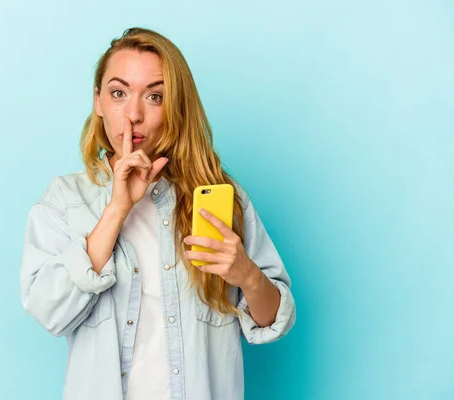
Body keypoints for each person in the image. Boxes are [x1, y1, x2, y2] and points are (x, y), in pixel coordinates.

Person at [20, 27, 296, 400]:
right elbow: (49, 311)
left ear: (175, 107)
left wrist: (246, 274)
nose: (133, 114)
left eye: (154, 96)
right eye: (119, 93)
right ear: (98, 100)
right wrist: (118, 209)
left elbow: (274, 320)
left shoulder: (219, 198)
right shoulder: (64, 200)